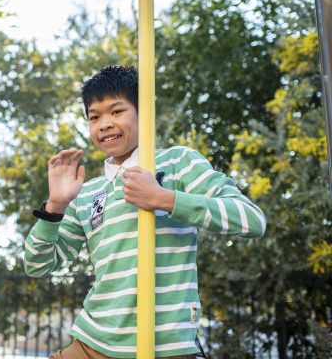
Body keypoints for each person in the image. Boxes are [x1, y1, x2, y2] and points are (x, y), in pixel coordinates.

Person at [24, 65, 266, 358]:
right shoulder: (87, 193)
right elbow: (38, 265)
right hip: (94, 343)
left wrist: (163, 198)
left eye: (117, 111)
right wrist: (55, 206)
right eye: (94, 117)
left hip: (166, 346)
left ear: (143, 113)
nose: (104, 124)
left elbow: (251, 219)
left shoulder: (178, 162)